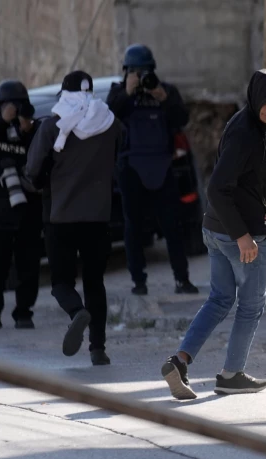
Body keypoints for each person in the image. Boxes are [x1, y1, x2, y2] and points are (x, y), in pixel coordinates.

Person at [160, 70, 266, 399]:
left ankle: (180, 361)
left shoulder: (249, 124)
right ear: (255, 97)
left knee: (219, 300)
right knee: (251, 306)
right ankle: (232, 374)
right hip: (238, 236)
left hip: (216, 230)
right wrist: (244, 236)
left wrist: (265, 201)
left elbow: (241, 181)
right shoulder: (248, 132)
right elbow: (217, 187)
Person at [26, 70, 125, 365]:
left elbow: (32, 170)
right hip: (98, 217)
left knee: (61, 283)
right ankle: (98, 348)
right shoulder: (110, 123)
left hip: (60, 217)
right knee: (95, 282)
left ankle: (76, 311)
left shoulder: (53, 126)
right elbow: (119, 152)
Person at [107, 44, 198, 296]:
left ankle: (182, 279)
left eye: (145, 70)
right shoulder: (118, 92)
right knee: (133, 227)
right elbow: (110, 115)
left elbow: (182, 119)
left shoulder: (165, 92)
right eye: (135, 71)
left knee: (172, 226)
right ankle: (139, 282)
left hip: (162, 165)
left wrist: (164, 99)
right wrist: (127, 92)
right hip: (131, 168)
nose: (141, 75)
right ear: (126, 72)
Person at [0, 80, 43, 330]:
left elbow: (44, 156)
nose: (16, 110)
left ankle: (23, 312)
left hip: (28, 207)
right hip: (0, 207)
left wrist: (27, 128)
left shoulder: (32, 130)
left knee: (28, 263)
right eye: (11, 106)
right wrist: (3, 120)